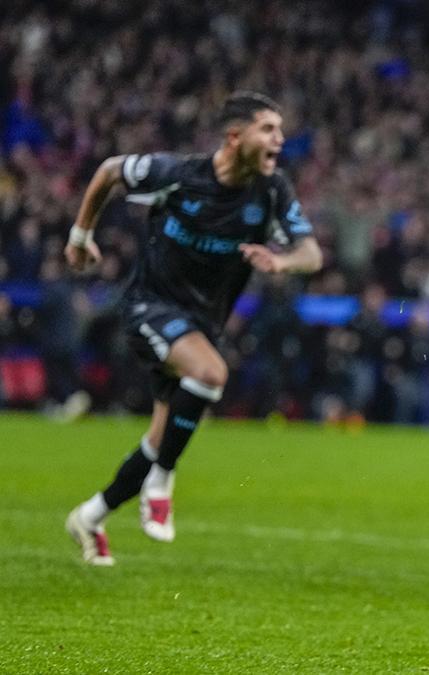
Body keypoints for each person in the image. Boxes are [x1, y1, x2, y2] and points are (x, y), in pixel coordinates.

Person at [63, 91, 323, 566]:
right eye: (268, 129)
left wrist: (281, 261)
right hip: (149, 305)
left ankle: (91, 515)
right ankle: (162, 480)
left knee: (161, 434)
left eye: (280, 131)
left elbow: (312, 253)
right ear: (235, 136)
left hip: (201, 324)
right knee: (210, 375)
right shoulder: (179, 175)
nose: (279, 140)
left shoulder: (271, 190)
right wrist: (81, 235)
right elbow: (108, 172)